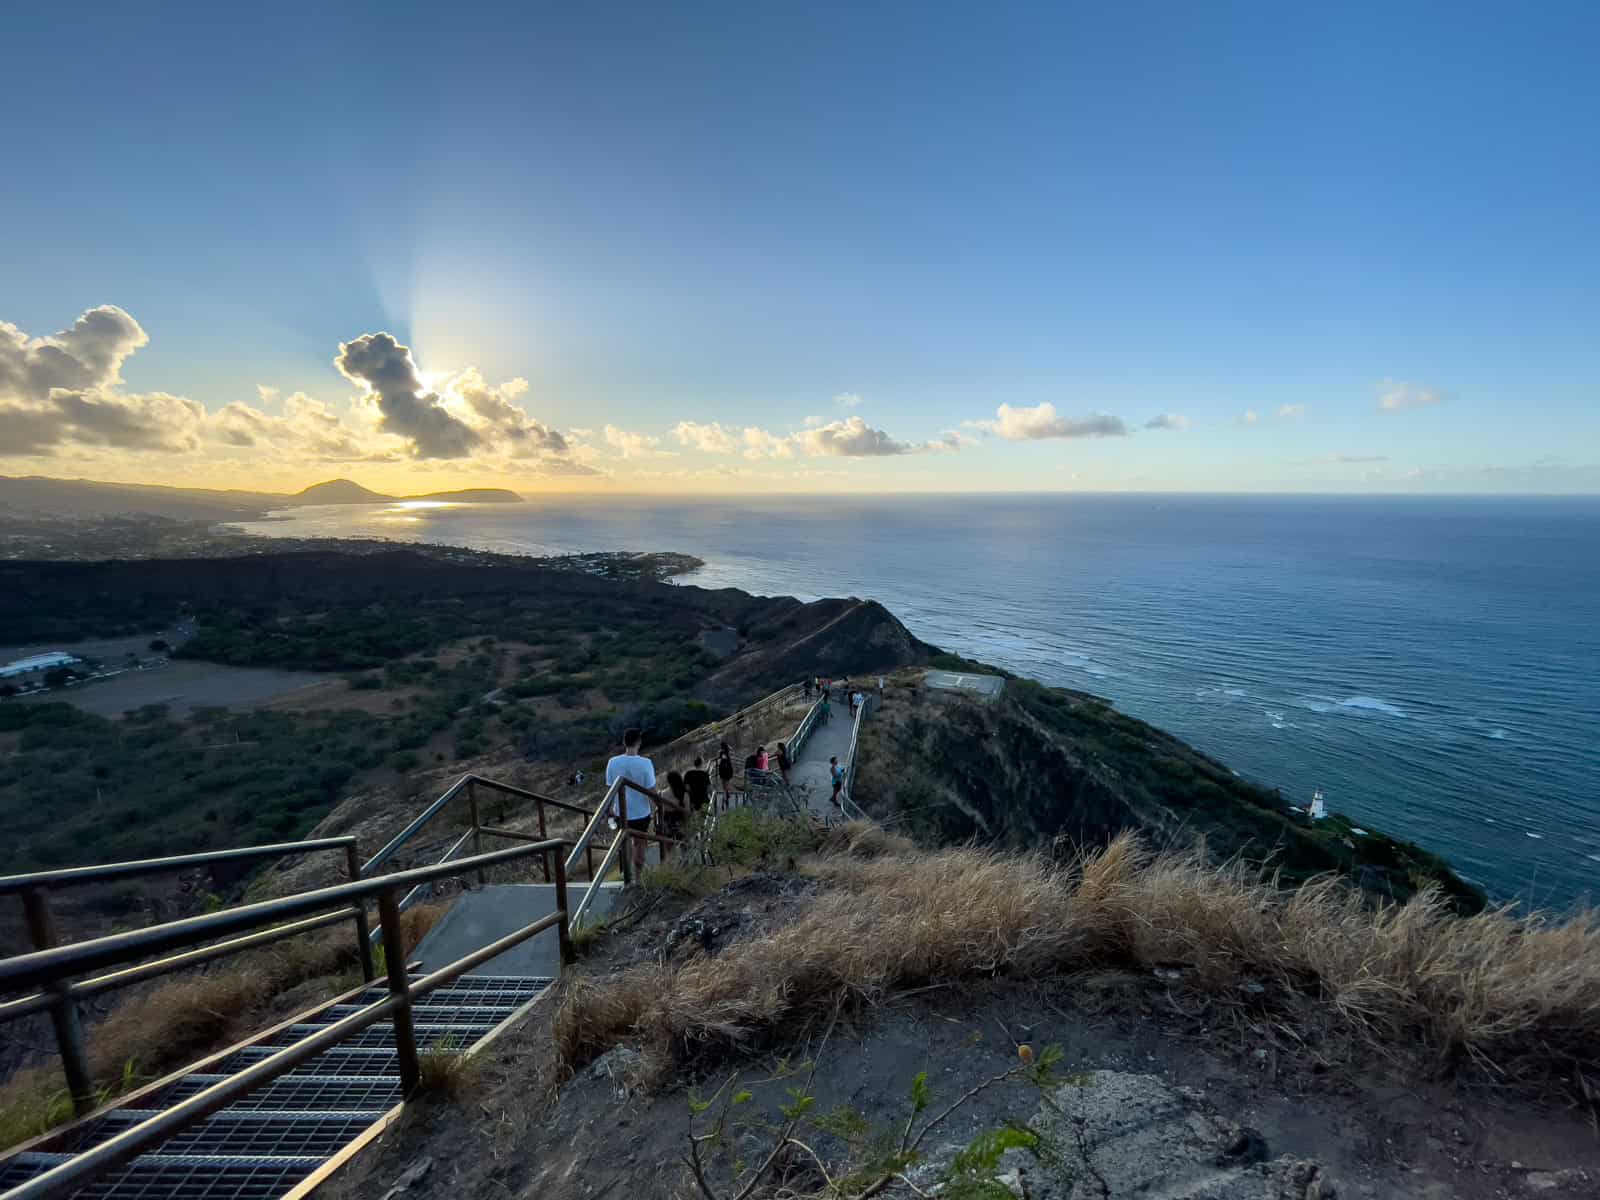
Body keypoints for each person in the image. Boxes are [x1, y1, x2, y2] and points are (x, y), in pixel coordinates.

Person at [605, 728, 660, 876]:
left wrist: (609, 810)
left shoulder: (612, 762)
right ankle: (638, 876)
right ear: (639, 742)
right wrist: (659, 805)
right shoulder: (646, 763)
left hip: (621, 812)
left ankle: (626, 875)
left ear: (624, 742)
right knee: (640, 844)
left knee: (625, 843)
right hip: (642, 812)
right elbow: (652, 789)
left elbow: (610, 790)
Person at [661, 769, 690, 852]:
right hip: (680, 821)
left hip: (668, 820)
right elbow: (687, 811)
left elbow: (663, 809)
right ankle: (685, 861)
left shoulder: (663, 793)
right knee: (684, 843)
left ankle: (670, 862)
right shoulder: (684, 793)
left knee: (669, 846)